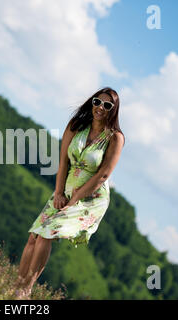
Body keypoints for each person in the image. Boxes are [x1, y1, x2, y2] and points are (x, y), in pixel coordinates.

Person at [13, 87, 125, 299]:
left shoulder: (114, 138)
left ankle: (26, 290)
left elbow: (103, 174)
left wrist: (75, 199)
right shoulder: (77, 126)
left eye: (107, 105)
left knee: (48, 232)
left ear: (114, 110)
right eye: (97, 102)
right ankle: (17, 286)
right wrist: (58, 193)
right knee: (34, 236)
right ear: (92, 103)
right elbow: (63, 161)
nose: (100, 107)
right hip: (65, 189)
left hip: (90, 198)